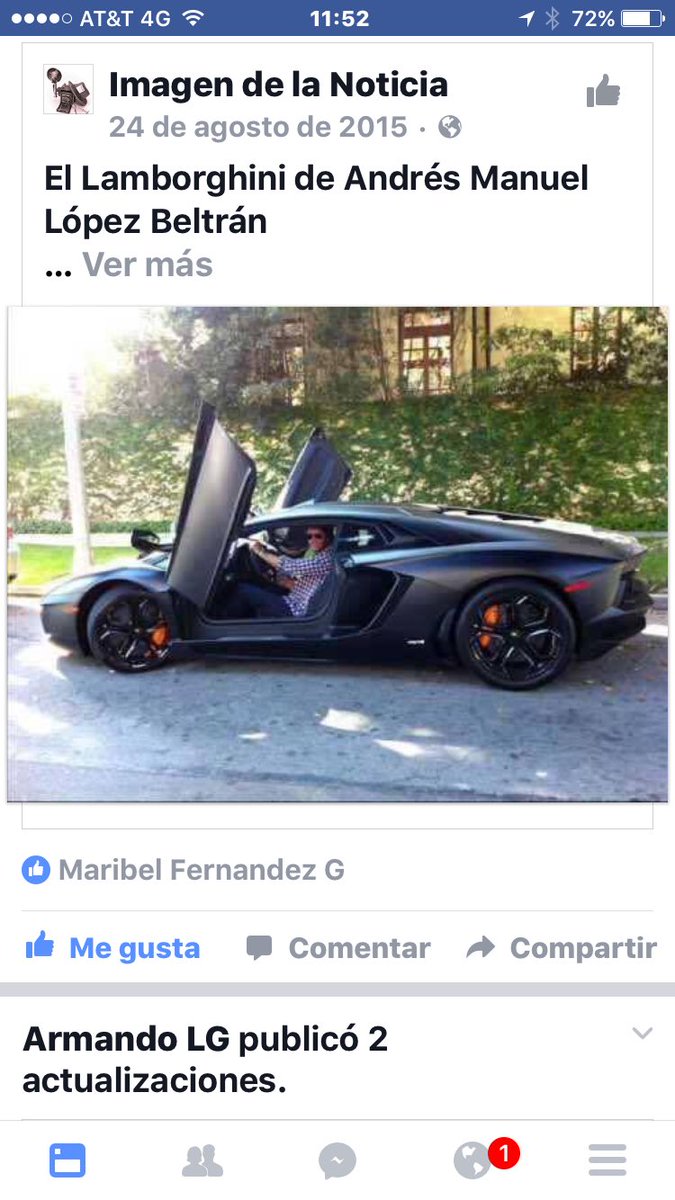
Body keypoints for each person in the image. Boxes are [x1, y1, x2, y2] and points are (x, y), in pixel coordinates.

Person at [225, 526, 335, 619]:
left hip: (296, 611)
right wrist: (283, 581)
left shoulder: (327, 559)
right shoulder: (322, 555)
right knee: (265, 588)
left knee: (243, 590)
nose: (312, 540)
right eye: (309, 536)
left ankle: (223, 626)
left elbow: (292, 567)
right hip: (294, 600)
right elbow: (308, 581)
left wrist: (261, 552)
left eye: (318, 536)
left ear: (328, 537)